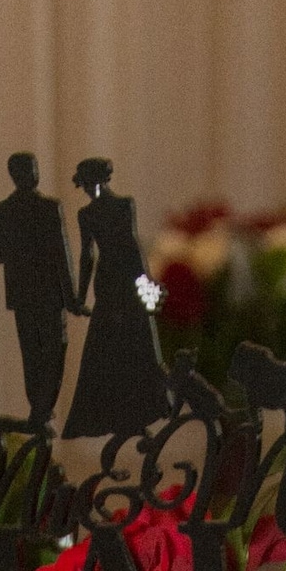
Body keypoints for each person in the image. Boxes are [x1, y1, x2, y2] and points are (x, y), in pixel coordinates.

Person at [62, 158, 169, 441]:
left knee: (120, 343)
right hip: (118, 278)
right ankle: (125, 411)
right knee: (121, 344)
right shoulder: (105, 209)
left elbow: (100, 253)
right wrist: (81, 294)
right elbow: (98, 253)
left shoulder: (105, 209)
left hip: (117, 279)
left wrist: (80, 294)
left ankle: (132, 410)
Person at [0, 155, 79, 428]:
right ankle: (40, 409)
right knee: (45, 351)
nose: (33, 174)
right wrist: (69, 296)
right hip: (45, 293)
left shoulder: (5, 210)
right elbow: (61, 256)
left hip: (28, 294)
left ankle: (40, 409)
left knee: (38, 353)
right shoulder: (42, 208)